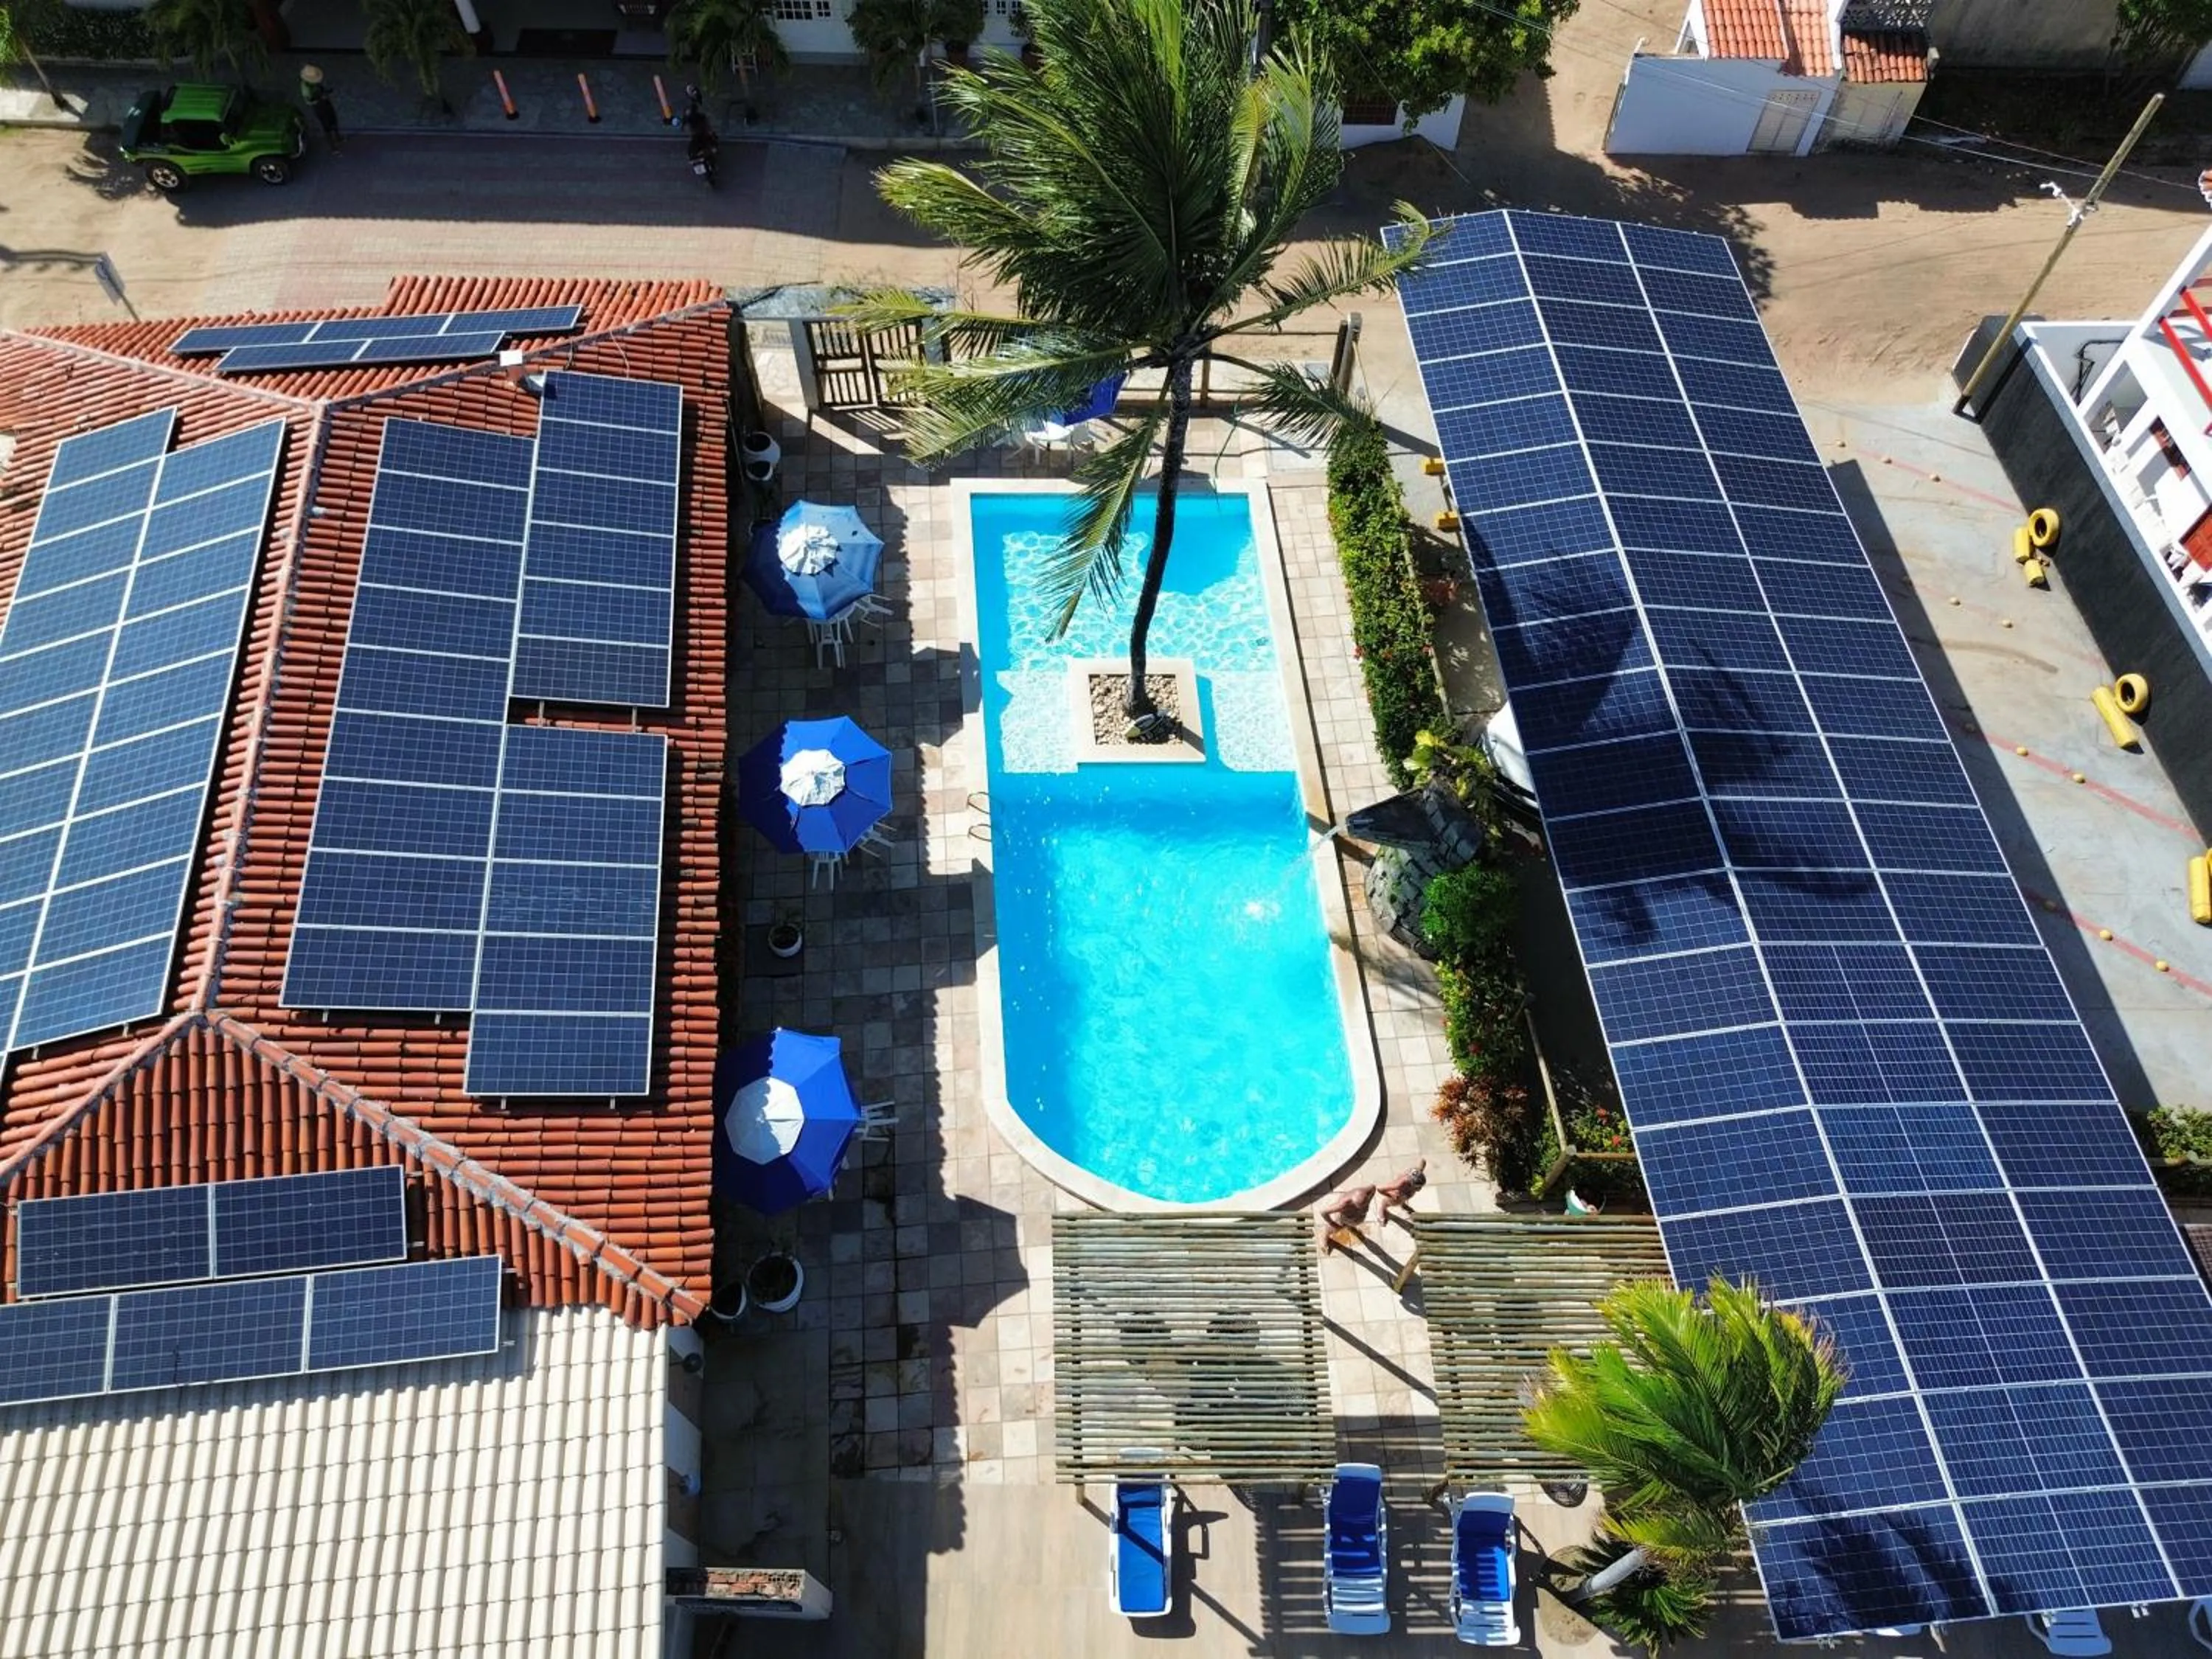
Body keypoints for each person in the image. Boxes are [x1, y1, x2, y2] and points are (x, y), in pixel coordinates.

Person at [1315, 1183, 1377, 1255]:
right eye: (1359, 1207)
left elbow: (1374, 1188)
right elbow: (1324, 1212)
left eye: (1365, 1204)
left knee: (1351, 1224)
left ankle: (1350, 1227)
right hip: (1344, 1219)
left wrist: (1371, 1198)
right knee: (1333, 1228)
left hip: (1355, 1220)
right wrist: (1332, 1223)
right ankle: (1324, 1237)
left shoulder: (1369, 1190)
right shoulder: (1343, 1204)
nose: (1362, 1208)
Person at [300, 65, 342, 155]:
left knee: (333, 118)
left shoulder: (313, 85)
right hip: (319, 106)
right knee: (326, 125)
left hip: (324, 102)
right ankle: (333, 147)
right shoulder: (307, 90)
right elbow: (311, 99)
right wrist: (321, 97)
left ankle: (338, 137)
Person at [1377, 1159, 1427, 1229]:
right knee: (1387, 1202)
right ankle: (1382, 1210)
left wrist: (1422, 1164)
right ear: (1410, 1183)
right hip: (1396, 1197)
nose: (1419, 1190)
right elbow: (1379, 1188)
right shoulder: (1400, 1184)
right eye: (1417, 1188)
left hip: (1404, 1196)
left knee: (1402, 1200)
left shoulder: (1417, 1174)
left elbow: (1422, 1162)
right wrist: (1391, 1194)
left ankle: (1403, 1204)